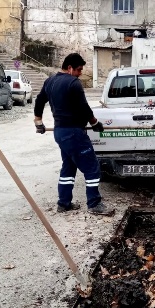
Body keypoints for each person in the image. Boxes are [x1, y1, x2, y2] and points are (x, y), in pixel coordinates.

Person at [33, 53, 115, 215]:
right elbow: (84, 108)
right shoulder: (73, 83)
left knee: (69, 167)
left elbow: (39, 100)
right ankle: (94, 204)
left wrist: (38, 122)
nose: (80, 73)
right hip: (74, 133)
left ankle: (64, 203)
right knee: (92, 168)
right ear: (69, 68)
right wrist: (94, 123)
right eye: (78, 70)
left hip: (60, 133)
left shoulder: (49, 81)